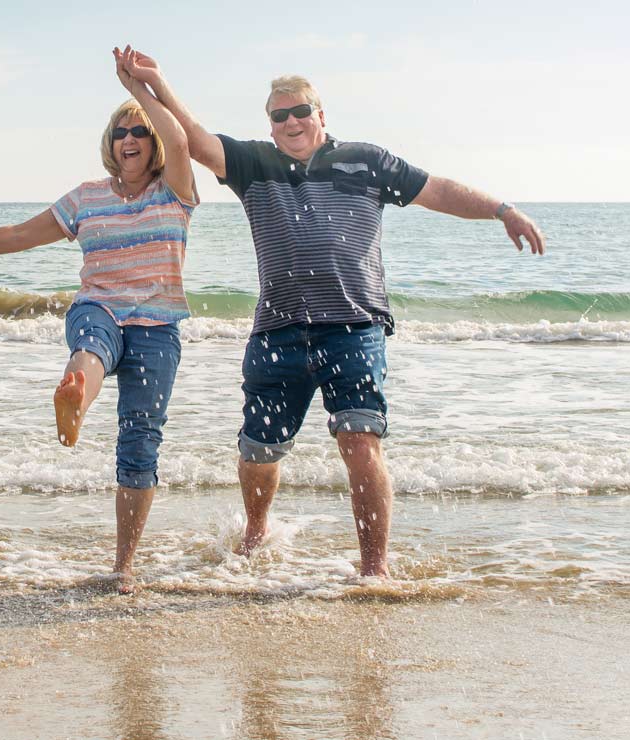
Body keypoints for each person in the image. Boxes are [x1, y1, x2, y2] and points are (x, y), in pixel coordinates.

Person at [115, 45, 545, 577]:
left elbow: (438, 191)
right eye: (280, 115)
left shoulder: (368, 161)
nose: (291, 121)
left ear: (321, 116)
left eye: (301, 111)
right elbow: (196, 140)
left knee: (360, 439)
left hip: (354, 328)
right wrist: (148, 85)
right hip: (278, 330)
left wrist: (502, 210)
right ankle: (256, 531)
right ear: (270, 126)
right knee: (259, 452)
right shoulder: (254, 164)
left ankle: (374, 570)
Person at [0, 49, 198, 593]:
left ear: (152, 143)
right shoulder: (86, 198)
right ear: (110, 142)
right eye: (122, 131)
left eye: (140, 132)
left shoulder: (175, 192)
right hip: (98, 305)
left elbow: (180, 141)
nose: (130, 139)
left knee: (139, 441)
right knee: (93, 345)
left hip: (156, 325)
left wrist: (143, 86)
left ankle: (123, 564)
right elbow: (16, 235)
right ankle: (76, 392)